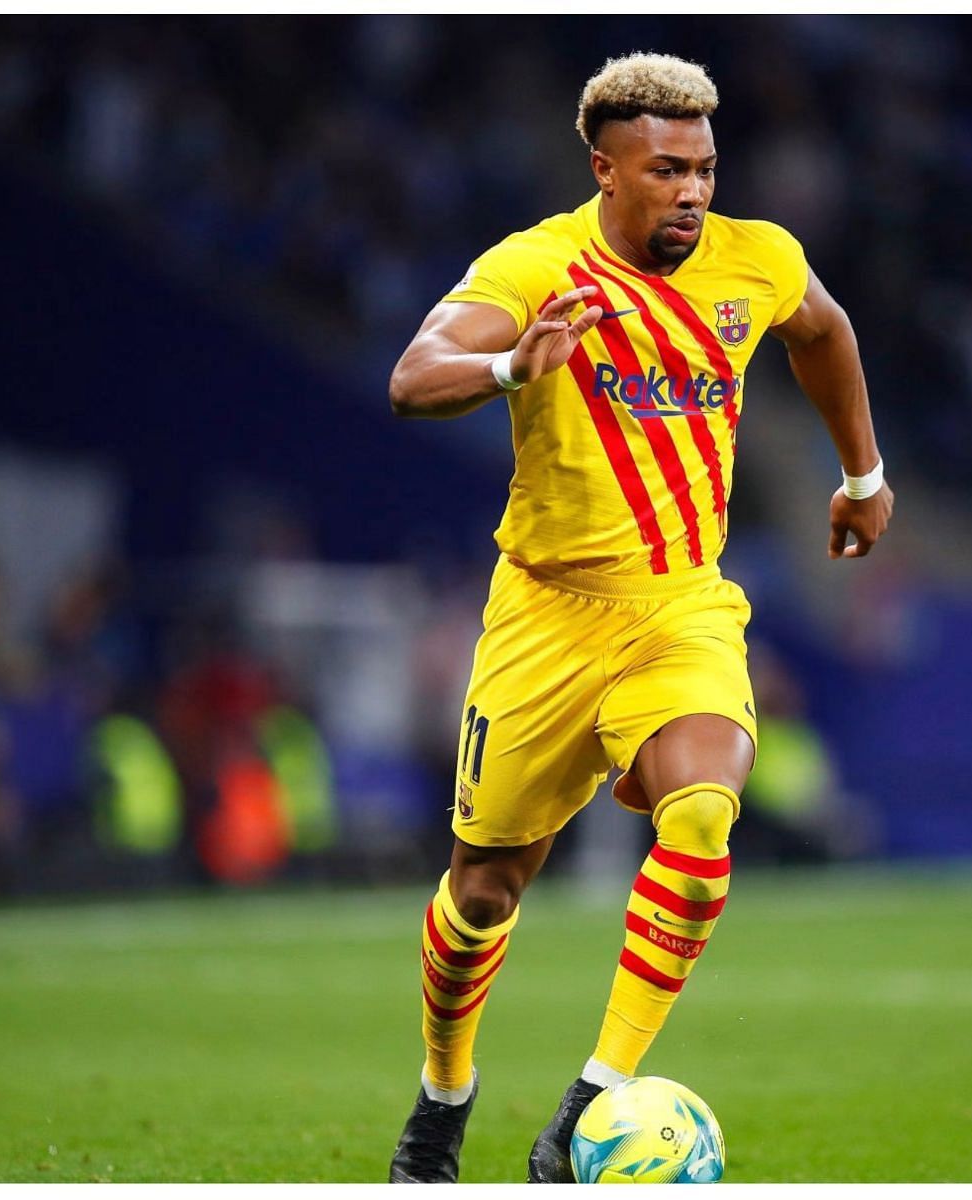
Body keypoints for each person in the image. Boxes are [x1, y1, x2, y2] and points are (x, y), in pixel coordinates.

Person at [384, 52, 893, 1184]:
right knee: (481, 892)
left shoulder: (753, 260)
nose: (693, 192)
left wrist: (862, 475)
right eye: (667, 170)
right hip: (545, 619)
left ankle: (589, 1103)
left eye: (706, 168)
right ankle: (442, 1095)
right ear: (605, 169)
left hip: (680, 610)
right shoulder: (537, 264)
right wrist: (515, 365)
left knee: (704, 811)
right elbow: (414, 378)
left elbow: (823, 329)